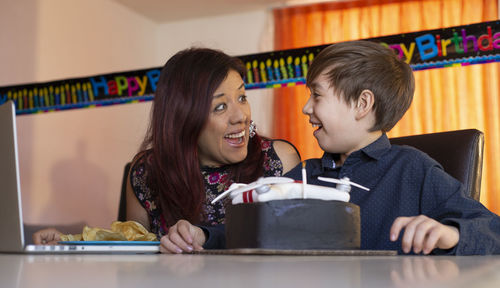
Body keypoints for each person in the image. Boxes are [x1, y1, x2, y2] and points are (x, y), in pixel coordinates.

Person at [166, 40, 500, 255]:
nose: (306, 108)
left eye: (317, 96)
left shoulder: (414, 169)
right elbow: (254, 234)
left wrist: (452, 234)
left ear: (362, 104)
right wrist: (203, 236)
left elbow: (493, 231)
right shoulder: (305, 175)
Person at [32, 48, 301, 251]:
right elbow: (134, 246)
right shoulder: (146, 173)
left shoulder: (278, 160)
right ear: (184, 119)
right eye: (220, 106)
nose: (240, 116)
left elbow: (291, 241)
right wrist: (69, 242)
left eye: (242, 97)